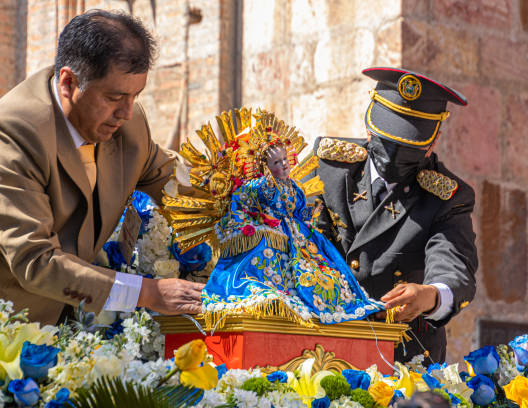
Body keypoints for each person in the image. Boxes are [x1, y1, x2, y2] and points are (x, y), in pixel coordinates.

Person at [0, 9, 204, 325]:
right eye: (114, 97)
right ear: (68, 82)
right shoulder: (14, 132)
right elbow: (36, 262)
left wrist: (249, 187)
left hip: (82, 334)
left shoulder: (130, 125)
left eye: (135, 96)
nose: (126, 112)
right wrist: (148, 294)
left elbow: (180, 186)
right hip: (12, 335)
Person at [312, 67, 478, 362]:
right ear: (369, 127)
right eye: (387, 141)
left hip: (401, 355)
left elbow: (454, 268)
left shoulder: (447, 198)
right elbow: (302, 241)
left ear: (433, 140)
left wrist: (430, 295)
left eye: (408, 146)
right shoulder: (329, 168)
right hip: (322, 342)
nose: (393, 156)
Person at [201, 129, 385, 328]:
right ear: (265, 166)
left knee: (322, 266)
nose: (284, 164)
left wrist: (311, 214)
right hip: (270, 230)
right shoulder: (259, 186)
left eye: (285, 159)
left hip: (297, 233)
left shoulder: (293, 186)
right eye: (276, 163)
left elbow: (297, 209)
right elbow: (242, 203)